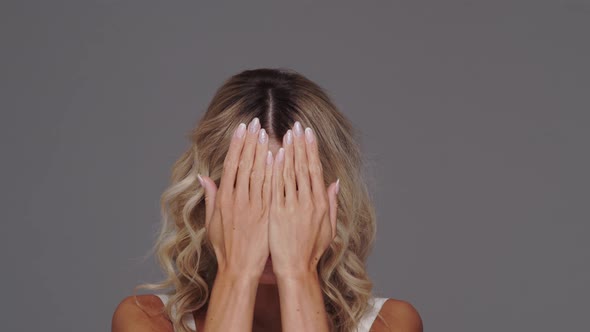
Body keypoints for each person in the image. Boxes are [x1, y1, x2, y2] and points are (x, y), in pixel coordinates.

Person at [111, 68, 423, 332]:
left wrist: (298, 273)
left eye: (295, 192)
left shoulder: (391, 323)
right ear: (208, 200)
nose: (273, 220)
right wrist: (237, 270)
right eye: (247, 192)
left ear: (331, 201)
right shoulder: (146, 320)